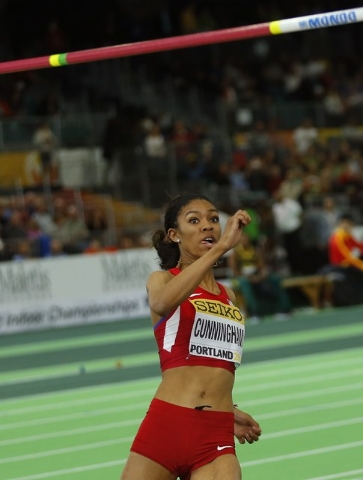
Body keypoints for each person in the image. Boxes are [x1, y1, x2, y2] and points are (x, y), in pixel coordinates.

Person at [121, 193, 261, 480]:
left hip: (216, 434)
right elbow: (161, 304)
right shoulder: (163, 280)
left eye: (213, 219)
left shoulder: (228, 296)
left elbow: (217, 362)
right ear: (174, 235)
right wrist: (220, 248)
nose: (207, 226)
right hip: (168, 425)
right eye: (194, 220)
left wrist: (229, 410)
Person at [228, 232, 292, 321]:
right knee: (245, 283)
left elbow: (262, 267)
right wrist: (249, 278)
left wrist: (261, 276)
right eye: (242, 239)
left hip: (256, 274)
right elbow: (235, 271)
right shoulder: (235, 253)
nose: (244, 241)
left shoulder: (255, 250)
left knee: (275, 279)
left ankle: (284, 309)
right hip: (242, 277)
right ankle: (255, 312)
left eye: (246, 239)